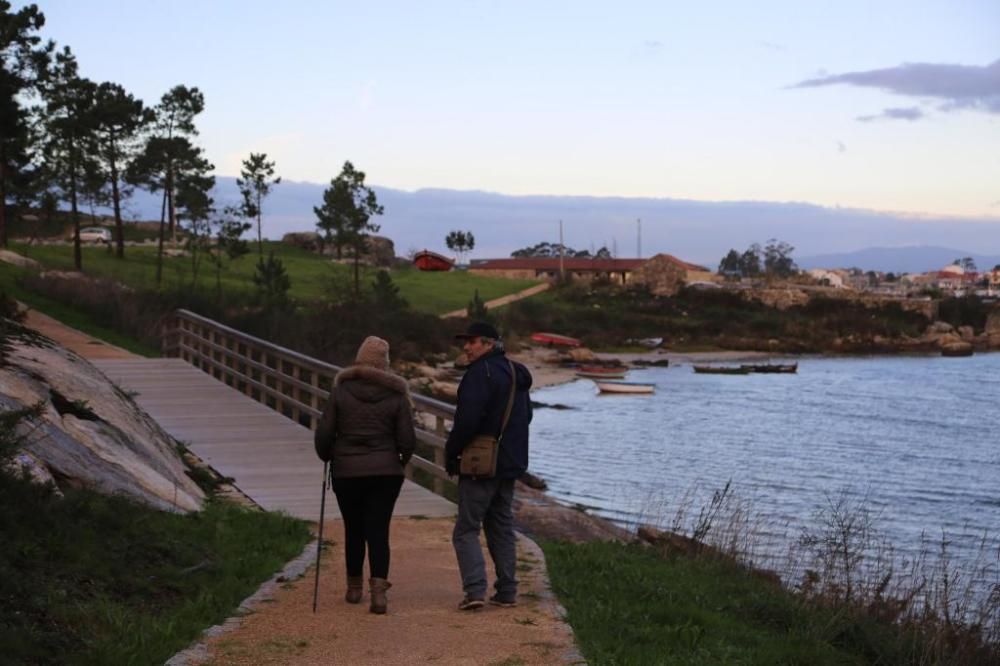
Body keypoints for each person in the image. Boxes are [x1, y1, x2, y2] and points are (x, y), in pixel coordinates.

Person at [314, 336, 415, 615]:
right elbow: (407, 439)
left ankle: (354, 588)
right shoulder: (397, 395)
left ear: (359, 359)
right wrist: (398, 462)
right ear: (385, 363)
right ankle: (379, 595)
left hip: (347, 471)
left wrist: (327, 455)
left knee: (354, 528)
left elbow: (325, 432)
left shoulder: (341, 390)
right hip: (385, 472)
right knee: (378, 530)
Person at [446, 322, 533, 610]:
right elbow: (527, 417)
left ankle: (474, 591)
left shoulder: (478, 375)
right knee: (501, 525)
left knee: (466, 529)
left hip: (481, 463)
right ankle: (507, 591)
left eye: (472, 342)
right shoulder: (514, 373)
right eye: (466, 343)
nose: (466, 348)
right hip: (509, 462)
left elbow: (467, 422)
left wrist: (452, 452)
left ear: (488, 344)